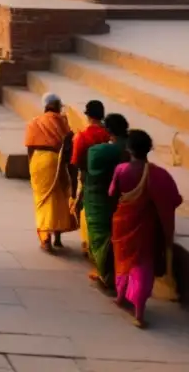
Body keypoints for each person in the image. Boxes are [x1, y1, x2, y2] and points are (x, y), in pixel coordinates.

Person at [110, 129, 182, 328]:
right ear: (149, 149)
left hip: (123, 222)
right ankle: (139, 312)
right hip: (146, 224)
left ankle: (120, 296)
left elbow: (112, 192)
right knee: (143, 264)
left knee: (123, 258)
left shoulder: (121, 170)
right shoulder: (159, 174)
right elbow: (176, 199)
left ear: (128, 149)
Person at [80, 113, 130, 291]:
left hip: (104, 200)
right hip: (129, 201)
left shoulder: (100, 151)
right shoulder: (133, 148)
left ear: (108, 130)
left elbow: (89, 166)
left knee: (101, 237)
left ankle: (107, 276)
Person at [24, 93, 77, 253]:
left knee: (42, 199)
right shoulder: (63, 121)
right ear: (57, 105)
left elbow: (30, 147)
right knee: (60, 198)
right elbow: (69, 144)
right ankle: (58, 238)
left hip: (39, 159)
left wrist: (31, 166)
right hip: (58, 159)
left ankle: (45, 239)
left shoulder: (35, 122)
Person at [71, 100, 110, 257]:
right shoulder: (108, 134)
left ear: (88, 116)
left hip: (89, 178)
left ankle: (89, 244)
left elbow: (75, 161)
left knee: (88, 210)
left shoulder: (82, 136)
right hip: (109, 177)